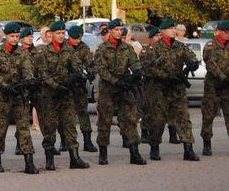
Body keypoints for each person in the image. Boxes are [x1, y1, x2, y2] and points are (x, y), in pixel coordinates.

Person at [36, 21, 90, 170]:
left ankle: (75, 158)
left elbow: (77, 66)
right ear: (51, 35)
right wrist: (56, 86)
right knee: (50, 127)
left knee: (70, 126)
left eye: (62, 33)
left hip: (66, 94)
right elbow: (44, 74)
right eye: (58, 33)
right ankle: (49, 159)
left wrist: (77, 76)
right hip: (50, 96)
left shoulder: (69, 51)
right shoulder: (44, 53)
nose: (61, 36)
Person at [145, 18, 200, 161]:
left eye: (175, 28)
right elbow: (149, 69)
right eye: (171, 28)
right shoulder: (154, 49)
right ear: (163, 31)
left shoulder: (180, 46)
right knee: (157, 120)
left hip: (177, 90)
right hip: (160, 90)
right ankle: (154, 148)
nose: (174, 31)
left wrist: (192, 65)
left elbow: (192, 58)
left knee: (184, 119)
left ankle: (188, 149)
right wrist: (167, 76)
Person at [94, 19, 146, 165]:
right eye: (116, 29)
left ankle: (134, 152)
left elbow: (134, 62)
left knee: (130, 119)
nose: (119, 31)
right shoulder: (102, 49)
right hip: (108, 89)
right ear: (110, 30)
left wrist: (136, 72)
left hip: (125, 88)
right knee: (105, 121)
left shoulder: (127, 48)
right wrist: (115, 81)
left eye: (121, 29)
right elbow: (102, 70)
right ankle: (103, 153)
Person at [0, 22, 39, 174]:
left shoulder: (23, 53)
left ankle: (29, 161)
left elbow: (27, 70)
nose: (15, 39)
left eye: (17, 36)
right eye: (12, 36)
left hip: (19, 96)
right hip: (2, 96)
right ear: (6, 36)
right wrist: (5, 86)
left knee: (24, 128)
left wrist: (28, 80)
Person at [67, 25, 97, 153]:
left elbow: (90, 64)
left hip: (80, 86)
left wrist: (90, 72)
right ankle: (65, 141)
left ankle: (87, 141)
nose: (78, 41)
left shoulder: (84, 47)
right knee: (67, 116)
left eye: (79, 38)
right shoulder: (64, 47)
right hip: (66, 86)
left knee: (83, 113)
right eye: (75, 38)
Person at [200, 20, 229, 155]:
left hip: (227, 86)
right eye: (226, 32)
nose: (228, 34)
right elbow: (210, 64)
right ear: (220, 32)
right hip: (213, 86)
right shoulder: (210, 46)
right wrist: (223, 77)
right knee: (208, 115)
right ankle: (207, 143)